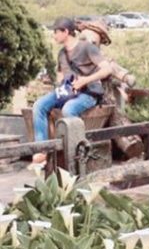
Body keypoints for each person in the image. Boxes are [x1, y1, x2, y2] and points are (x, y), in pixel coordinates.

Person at [31, 17, 113, 163]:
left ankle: (76, 152)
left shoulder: (87, 47)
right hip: (68, 91)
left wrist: (84, 81)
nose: (54, 35)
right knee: (39, 105)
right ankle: (42, 149)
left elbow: (107, 69)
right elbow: (60, 76)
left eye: (56, 32)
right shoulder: (61, 54)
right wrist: (58, 88)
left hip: (88, 93)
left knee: (68, 109)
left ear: (66, 32)